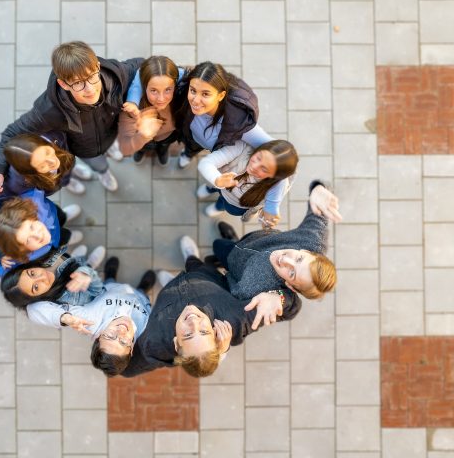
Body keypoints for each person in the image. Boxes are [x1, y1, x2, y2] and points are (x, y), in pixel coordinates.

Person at [0, 41, 142, 193]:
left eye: (92, 76)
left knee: (110, 145)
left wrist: (134, 100)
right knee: (99, 164)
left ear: (97, 67)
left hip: (111, 132)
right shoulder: (49, 110)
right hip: (86, 149)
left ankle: (109, 149)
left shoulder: (117, 75)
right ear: (64, 84)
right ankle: (103, 173)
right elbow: (12, 133)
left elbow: (143, 65)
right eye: (78, 83)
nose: (90, 89)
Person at [122, 239, 292, 378]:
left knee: (171, 287)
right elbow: (293, 306)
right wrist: (277, 297)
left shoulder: (154, 340)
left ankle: (171, 282)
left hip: (171, 295)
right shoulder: (236, 320)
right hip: (204, 275)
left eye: (188, 335)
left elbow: (131, 367)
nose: (194, 322)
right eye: (204, 332)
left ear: (176, 342)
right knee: (195, 264)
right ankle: (191, 258)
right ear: (214, 332)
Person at [170, 61, 287, 227]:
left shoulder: (240, 123)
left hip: (222, 158)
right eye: (193, 90)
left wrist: (272, 206)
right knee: (192, 150)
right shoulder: (185, 92)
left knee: (223, 182)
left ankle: (215, 195)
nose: (195, 100)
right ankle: (188, 156)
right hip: (193, 139)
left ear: (221, 96)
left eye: (205, 94)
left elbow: (281, 163)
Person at [24, 257, 157, 376]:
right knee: (141, 293)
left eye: (110, 336)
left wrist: (63, 318)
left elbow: (32, 310)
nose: (120, 332)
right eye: (123, 342)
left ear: (99, 336)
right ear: (131, 349)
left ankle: (110, 275)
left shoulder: (89, 319)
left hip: (110, 288)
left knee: (109, 282)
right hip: (140, 298)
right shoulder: (148, 331)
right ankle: (143, 288)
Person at [212, 180, 342, 302]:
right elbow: (322, 205)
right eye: (299, 259)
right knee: (237, 243)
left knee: (218, 246)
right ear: (306, 250)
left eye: (292, 273)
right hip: (254, 239)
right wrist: (319, 188)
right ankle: (235, 240)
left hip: (233, 261)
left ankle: (220, 259)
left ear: (291, 286)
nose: (284, 260)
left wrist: (227, 274)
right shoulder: (313, 240)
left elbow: (235, 291)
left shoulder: (253, 288)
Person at [197, 139, 298, 224]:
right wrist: (216, 179)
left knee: (223, 204)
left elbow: (266, 209)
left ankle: (218, 207)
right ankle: (209, 189)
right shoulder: (244, 148)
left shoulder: (275, 190)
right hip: (218, 184)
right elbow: (208, 162)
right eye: (259, 157)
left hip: (234, 204)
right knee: (213, 185)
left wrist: (265, 217)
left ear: (274, 177)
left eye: (264, 169)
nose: (254, 166)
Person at [0, 189, 82, 277]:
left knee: (59, 215)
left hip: (52, 218)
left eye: (31, 227)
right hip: (54, 243)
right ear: (21, 250)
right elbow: (7, 276)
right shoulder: (21, 260)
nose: (38, 235)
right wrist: (1, 256)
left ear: (32, 217)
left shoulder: (34, 201)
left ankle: (64, 216)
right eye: (28, 240)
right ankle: (68, 237)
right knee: (64, 236)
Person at [118, 56, 184, 165]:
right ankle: (141, 151)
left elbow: (185, 76)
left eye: (167, 89)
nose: (161, 99)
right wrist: (133, 101)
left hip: (168, 135)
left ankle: (162, 151)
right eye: (154, 91)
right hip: (143, 137)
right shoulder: (132, 106)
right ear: (144, 87)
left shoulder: (180, 90)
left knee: (164, 145)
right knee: (143, 146)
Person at [0, 245, 106, 311]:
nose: (42, 277)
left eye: (32, 273)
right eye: (36, 287)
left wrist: (2, 256)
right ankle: (91, 264)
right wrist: (87, 274)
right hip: (87, 275)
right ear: (36, 298)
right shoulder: (69, 296)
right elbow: (96, 292)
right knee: (86, 268)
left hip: (69, 260)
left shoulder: (36, 257)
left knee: (73, 259)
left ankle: (75, 258)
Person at [1, 132, 85, 195]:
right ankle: (66, 182)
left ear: (46, 143)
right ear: (32, 172)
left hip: (67, 161)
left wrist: (68, 162)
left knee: (68, 167)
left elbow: (67, 146)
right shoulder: (20, 184)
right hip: (52, 182)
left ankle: (69, 174)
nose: (53, 162)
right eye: (42, 165)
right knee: (61, 180)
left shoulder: (56, 136)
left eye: (47, 152)